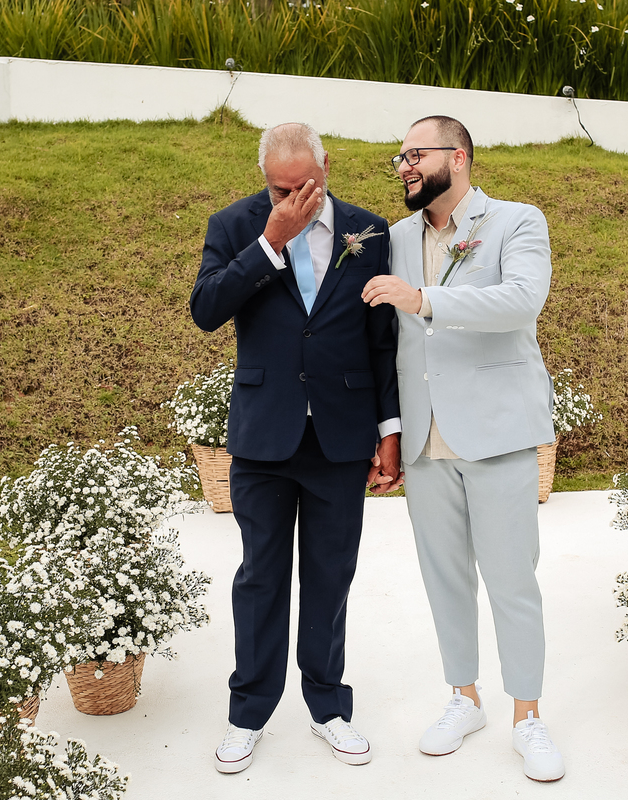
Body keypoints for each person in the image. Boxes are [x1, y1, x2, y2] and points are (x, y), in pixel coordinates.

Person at [190, 122, 401, 775]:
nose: (293, 196)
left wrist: (388, 430)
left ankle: (328, 707)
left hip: (340, 433)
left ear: (326, 165)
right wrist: (268, 244)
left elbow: (383, 339)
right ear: (265, 179)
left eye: (305, 184)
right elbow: (205, 308)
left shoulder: (370, 232)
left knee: (330, 576)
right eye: (281, 187)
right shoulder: (235, 226)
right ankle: (248, 714)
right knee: (261, 578)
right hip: (264, 435)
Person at [360, 115, 564, 782]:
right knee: (445, 579)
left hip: (498, 432)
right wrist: (386, 432)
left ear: (461, 156)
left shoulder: (516, 222)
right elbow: (378, 340)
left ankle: (527, 716)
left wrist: (424, 299)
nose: (404, 167)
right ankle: (463, 698)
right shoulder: (391, 239)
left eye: (415, 154)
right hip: (424, 439)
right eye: (400, 157)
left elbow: (521, 301)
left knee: (511, 581)